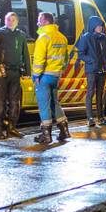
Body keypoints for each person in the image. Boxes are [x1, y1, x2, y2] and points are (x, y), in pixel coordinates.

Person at [0, 12, 31, 139]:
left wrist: (28, 71)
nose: (10, 22)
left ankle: (12, 128)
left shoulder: (21, 35)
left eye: (13, 20)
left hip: (15, 73)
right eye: (8, 19)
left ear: (17, 21)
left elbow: (25, 55)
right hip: (2, 72)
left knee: (15, 102)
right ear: (5, 21)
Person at [32, 12, 71, 143]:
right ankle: (64, 130)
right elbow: (66, 59)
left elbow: (39, 59)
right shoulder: (62, 38)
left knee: (44, 105)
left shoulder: (43, 37)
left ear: (45, 21)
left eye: (39, 20)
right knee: (55, 103)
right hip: (56, 75)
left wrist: (36, 74)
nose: (37, 22)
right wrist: (60, 70)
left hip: (44, 76)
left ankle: (46, 135)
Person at [76, 15, 106, 127]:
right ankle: (90, 118)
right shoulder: (86, 37)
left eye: (101, 26)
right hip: (92, 70)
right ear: (92, 26)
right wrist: (91, 61)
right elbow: (81, 54)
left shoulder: (104, 37)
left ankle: (101, 118)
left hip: (102, 70)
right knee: (90, 93)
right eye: (98, 26)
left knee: (100, 94)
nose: (100, 27)